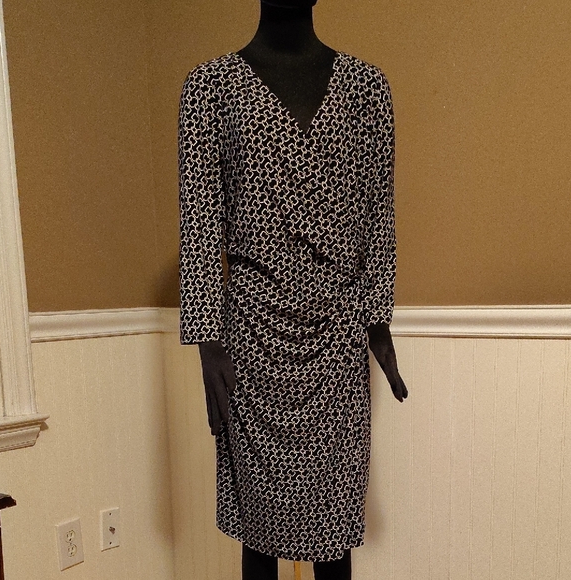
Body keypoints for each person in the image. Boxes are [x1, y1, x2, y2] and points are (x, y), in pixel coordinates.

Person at [178, 1, 408, 578]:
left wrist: (377, 319)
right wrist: (207, 341)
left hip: (338, 336)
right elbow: (200, 223)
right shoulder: (210, 90)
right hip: (251, 341)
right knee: (258, 534)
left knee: (333, 534)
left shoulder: (367, 90)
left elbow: (378, 214)